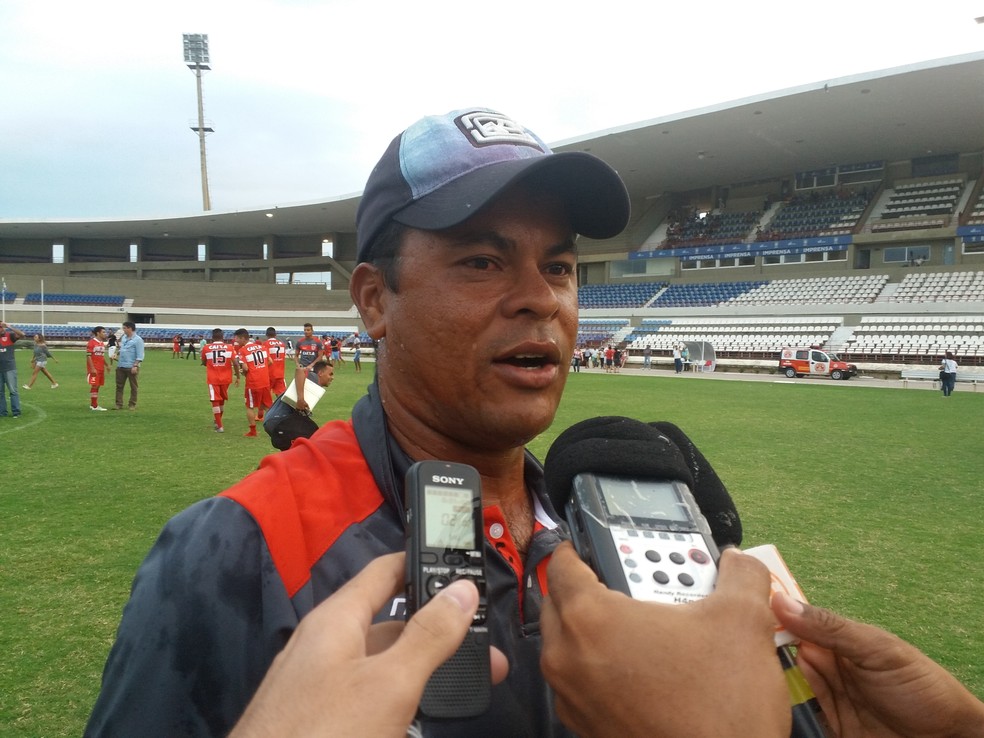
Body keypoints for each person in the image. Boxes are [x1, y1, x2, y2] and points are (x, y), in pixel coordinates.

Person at [85, 106, 630, 737]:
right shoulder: (241, 548)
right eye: (483, 261)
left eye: (560, 267)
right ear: (375, 300)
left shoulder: (605, 528)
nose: (541, 297)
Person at [263, 359, 334, 450]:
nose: (332, 377)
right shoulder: (313, 378)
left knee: (295, 451)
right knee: (313, 442)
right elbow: (300, 371)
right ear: (320, 373)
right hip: (279, 419)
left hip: (275, 420)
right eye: (330, 374)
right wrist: (300, 399)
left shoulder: (313, 387)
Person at [234, 327, 272, 437]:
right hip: (265, 380)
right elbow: (270, 361)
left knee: (249, 406)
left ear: (243, 338)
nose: (236, 341)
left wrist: (243, 373)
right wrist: (262, 368)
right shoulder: (261, 347)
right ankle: (277, 425)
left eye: (237, 339)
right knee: (266, 406)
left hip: (253, 382)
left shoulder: (243, 351)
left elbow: (245, 368)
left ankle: (253, 431)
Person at [201, 328, 238, 433]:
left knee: (215, 401)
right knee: (221, 400)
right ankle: (218, 421)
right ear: (223, 337)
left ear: (212, 337)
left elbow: (204, 361)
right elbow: (235, 363)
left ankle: (219, 426)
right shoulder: (229, 347)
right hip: (226, 378)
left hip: (213, 378)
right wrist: (238, 376)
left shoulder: (207, 348)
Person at [114, 321, 145, 410]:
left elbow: (140, 355)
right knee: (119, 386)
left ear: (130, 328)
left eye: (124, 328)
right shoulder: (124, 338)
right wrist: (117, 354)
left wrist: (135, 365)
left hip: (131, 366)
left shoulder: (138, 340)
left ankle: (132, 404)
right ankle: (118, 404)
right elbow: (122, 349)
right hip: (121, 365)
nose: (123, 330)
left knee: (133, 387)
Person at [0, 320, 26, 418]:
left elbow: (22, 334)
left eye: (2, 327)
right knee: (0, 392)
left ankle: (16, 412)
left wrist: (9, 326)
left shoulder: (9, 336)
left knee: (13, 391)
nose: (2, 329)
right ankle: (2, 412)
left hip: (9, 368)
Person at [86, 326, 109, 412]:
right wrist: (92, 368)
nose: (105, 334)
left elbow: (101, 356)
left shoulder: (102, 343)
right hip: (94, 368)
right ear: (98, 333)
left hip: (100, 368)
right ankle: (94, 405)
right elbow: (88, 356)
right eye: (103, 332)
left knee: (98, 385)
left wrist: (106, 365)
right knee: (94, 385)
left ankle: (93, 404)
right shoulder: (91, 343)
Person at [262, 327, 288, 396]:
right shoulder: (282, 344)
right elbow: (283, 357)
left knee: (266, 394)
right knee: (280, 395)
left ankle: (269, 406)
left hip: (269, 373)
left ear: (266, 335)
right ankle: (280, 406)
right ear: (275, 334)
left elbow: (264, 359)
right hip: (280, 373)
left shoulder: (265, 344)